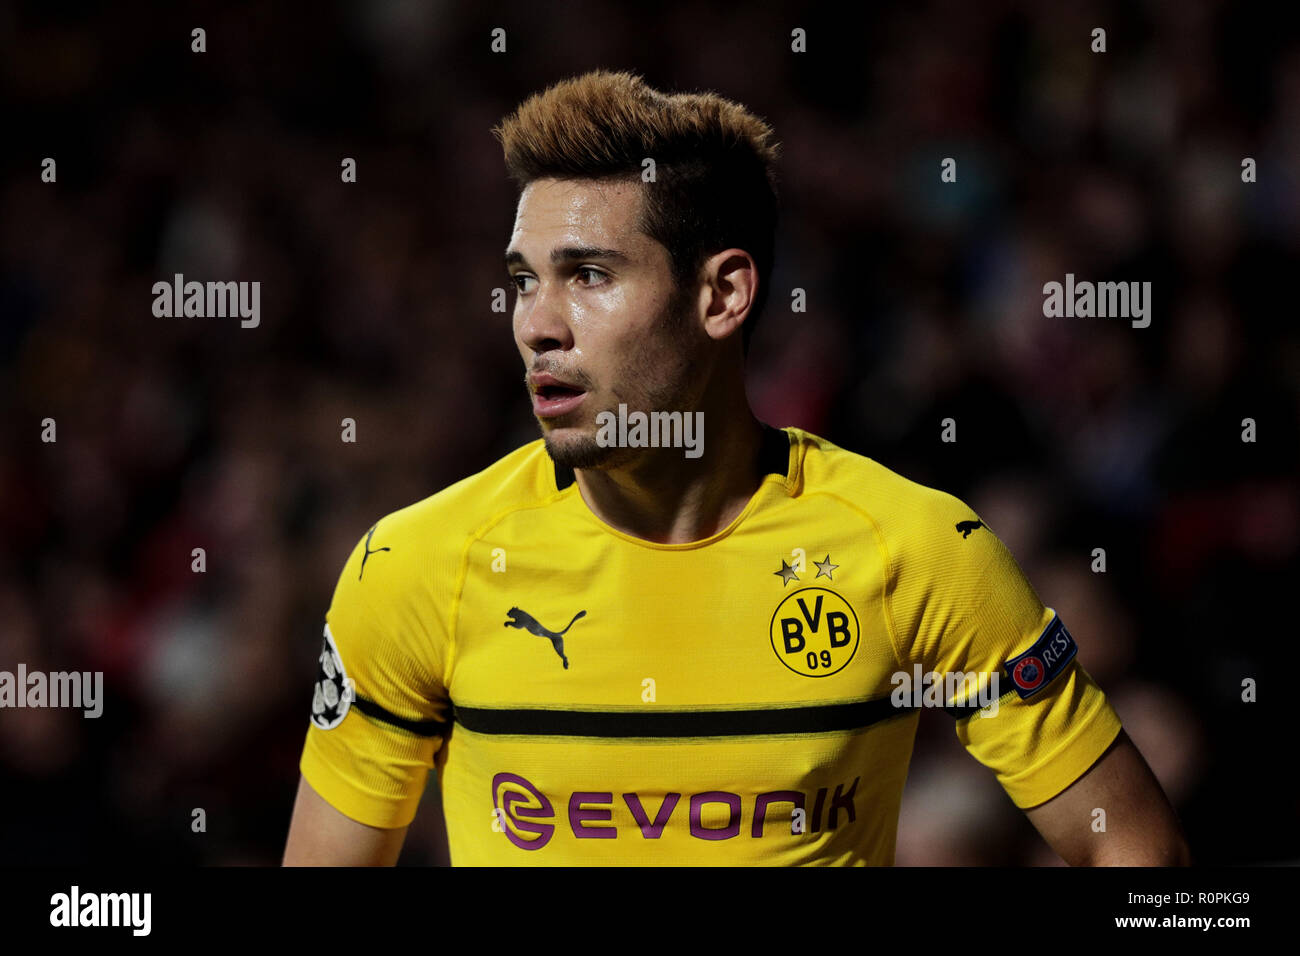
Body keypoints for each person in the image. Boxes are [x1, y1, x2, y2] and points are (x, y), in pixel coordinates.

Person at [283, 69, 1190, 866]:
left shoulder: (916, 552)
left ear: (723, 294)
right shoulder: (412, 568)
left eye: (588, 274)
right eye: (524, 280)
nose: (536, 323)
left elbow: (1134, 845)